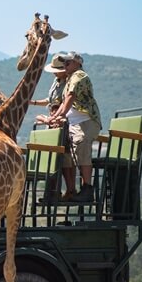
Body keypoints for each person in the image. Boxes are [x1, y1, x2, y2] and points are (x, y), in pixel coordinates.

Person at [49, 51, 101, 202]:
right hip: (75, 124)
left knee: (81, 147)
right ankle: (69, 191)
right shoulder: (70, 78)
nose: (64, 65)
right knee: (66, 153)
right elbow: (64, 104)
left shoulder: (79, 75)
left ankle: (87, 190)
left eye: (67, 62)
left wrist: (59, 116)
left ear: (77, 63)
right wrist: (54, 118)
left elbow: (70, 98)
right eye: (63, 63)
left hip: (86, 122)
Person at [30, 53, 67, 126]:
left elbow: (65, 103)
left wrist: (55, 116)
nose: (54, 73)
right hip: (53, 118)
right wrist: (33, 102)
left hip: (62, 118)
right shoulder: (56, 80)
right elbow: (50, 100)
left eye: (56, 71)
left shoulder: (69, 83)